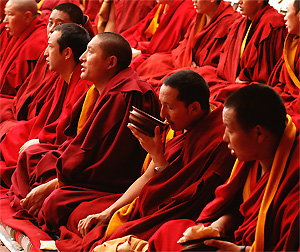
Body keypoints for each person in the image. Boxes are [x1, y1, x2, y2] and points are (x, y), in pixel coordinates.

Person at [53, 70, 236, 252]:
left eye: (169, 107)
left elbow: (183, 202)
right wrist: (107, 213)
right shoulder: (177, 126)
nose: (162, 115)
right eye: (161, 105)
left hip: (169, 213)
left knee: (117, 234)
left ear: (194, 108)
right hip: (149, 199)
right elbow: (149, 175)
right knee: (76, 213)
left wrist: (157, 156)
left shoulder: (219, 143)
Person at [8, 32, 160, 236]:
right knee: (33, 155)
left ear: (110, 62)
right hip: (83, 169)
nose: (82, 58)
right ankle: (40, 196)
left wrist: (57, 182)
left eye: (89, 52)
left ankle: (39, 198)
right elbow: (78, 141)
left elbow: (111, 162)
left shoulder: (129, 95)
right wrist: (61, 170)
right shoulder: (101, 90)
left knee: (55, 202)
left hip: (108, 182)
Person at [147, 84, 299, 252]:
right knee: (169, 231)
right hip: (239, 240)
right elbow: (239, 209)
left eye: (230, 130)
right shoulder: (252, 156)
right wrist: (219, 226)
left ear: (259, 133)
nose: (224, 137)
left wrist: (241, 251)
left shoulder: (294, 183)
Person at [0, 23, 92, 188]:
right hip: (48, 137)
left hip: (60, 146)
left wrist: (40, 140)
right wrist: (39, 137)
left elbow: (73, 134)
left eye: (50, 47)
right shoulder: (64, 78)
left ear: (67, 53)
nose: (44, 53)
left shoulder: (84, 86)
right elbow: (47, 119)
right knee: (14, 132)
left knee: (30, 155)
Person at [0, 2, 95, 138]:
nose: (52, 29)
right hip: (28, 114)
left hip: (40, 127)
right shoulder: (52, 51)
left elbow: (62, 127)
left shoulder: (78, 75)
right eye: (50, 23)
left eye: (60, 24)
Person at [133, 0, 240, 93]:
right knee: (155, 62)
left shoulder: (229, 22)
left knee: (168, 81)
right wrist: (186, 59)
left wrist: (193, 66)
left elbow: (221, 60)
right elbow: (184, 44)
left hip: (205, 71)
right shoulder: (200, 17)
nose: (193, 1)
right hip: (185, 61)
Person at [197, 0, 287, 102]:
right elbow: (224, 65)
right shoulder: (240, 24)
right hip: (231, 81)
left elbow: (271, 73)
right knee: (202, 74)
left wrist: (243, 78)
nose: (239, 1)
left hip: (252, 86)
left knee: (215, 93)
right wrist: (233, 76)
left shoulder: (274, 24)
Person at [121, 0, 196, 62]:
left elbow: (175, 48)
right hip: (150, 47)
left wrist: (142, 51)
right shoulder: (164, 4)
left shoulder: (188, 10)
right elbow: (141, 29)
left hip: (166, 57)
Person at [0, 0, 47, 97]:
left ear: (27, 16)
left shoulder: (38, 42)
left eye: (10, 14)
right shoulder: (16, 33)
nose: (5, 20)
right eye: (5, 14)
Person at [268, 0, 299, 117]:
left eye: (287, 12)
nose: (284, 18)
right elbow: (280, 81)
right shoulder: (292, 43)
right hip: (286, 97)